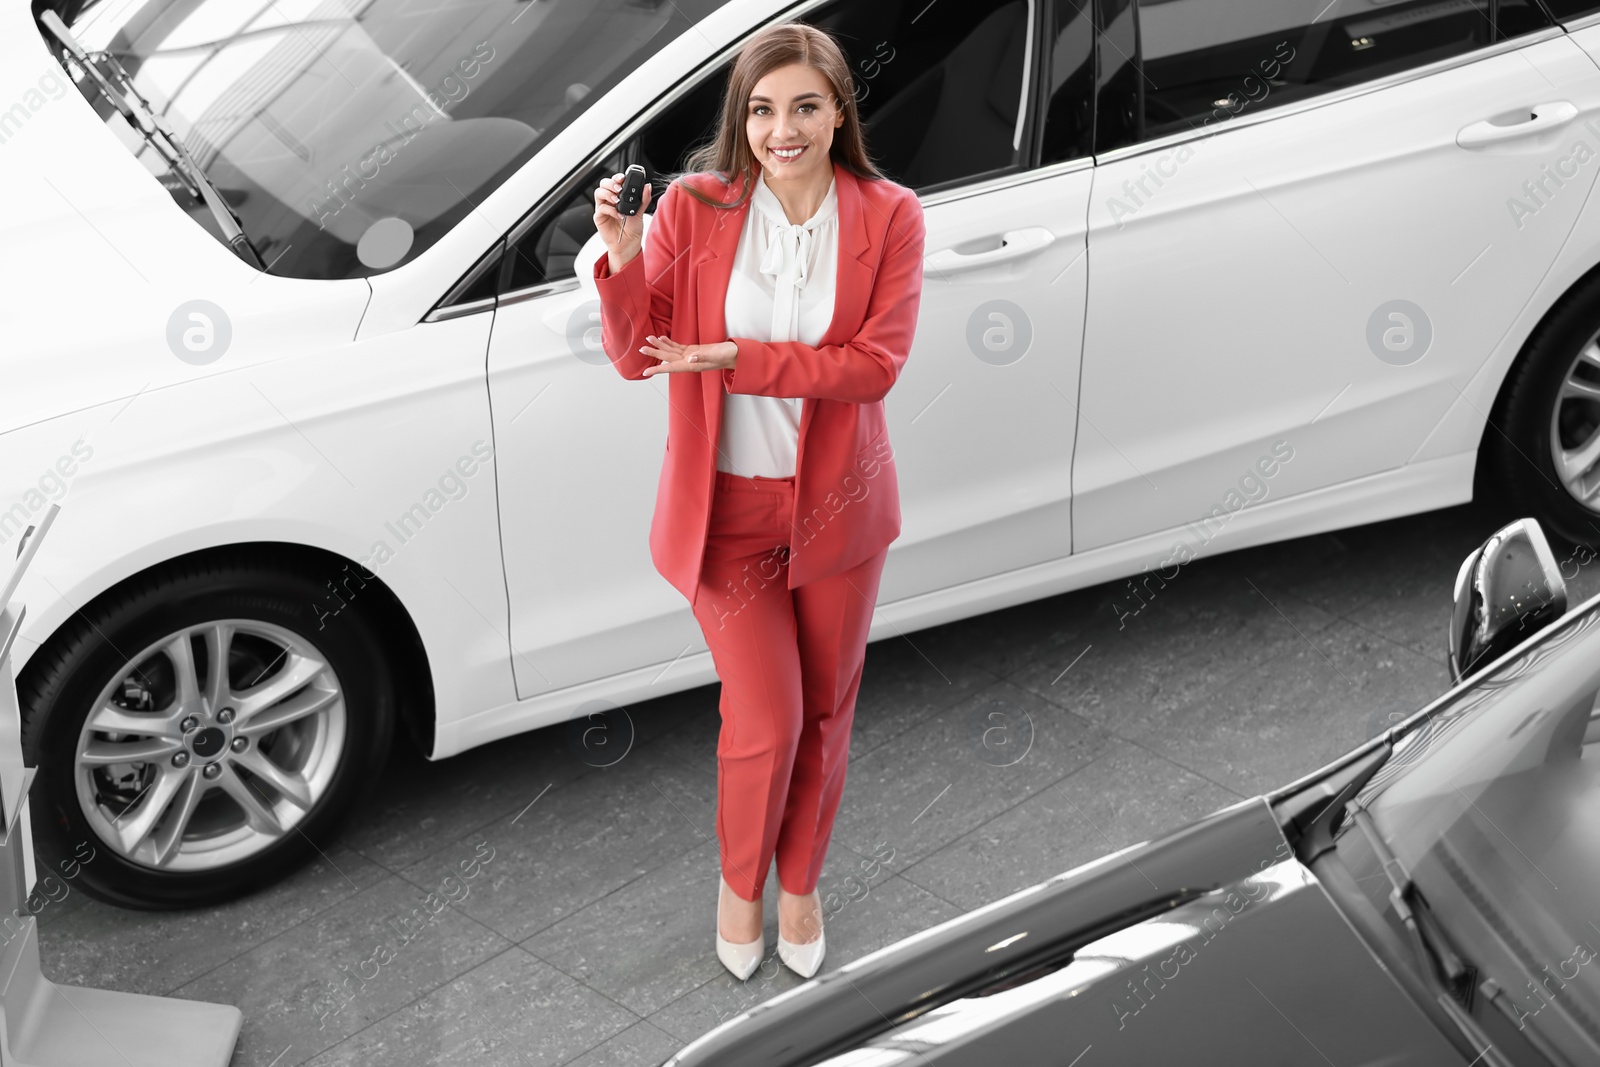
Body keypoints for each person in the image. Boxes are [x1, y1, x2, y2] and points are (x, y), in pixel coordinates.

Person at [590, 21, 925, 981]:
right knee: (767, 714)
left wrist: (735, 356)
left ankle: (802, 884)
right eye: (765, 109)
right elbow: (631, 355)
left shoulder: (890, 215)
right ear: (743, 117)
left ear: (837, 112)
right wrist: (621, 259)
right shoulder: (695, 207)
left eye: (806, 106)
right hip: (726, 516)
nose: (784, 128)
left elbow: (873, 369)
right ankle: (742, 891)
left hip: (837, 514)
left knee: (825, 712)